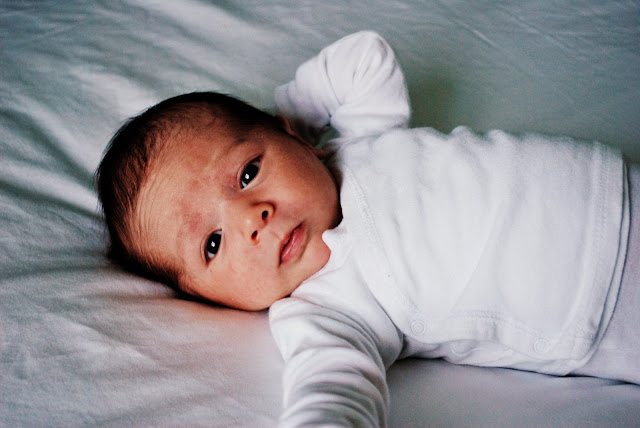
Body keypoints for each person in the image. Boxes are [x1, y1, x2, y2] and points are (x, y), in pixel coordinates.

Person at [96, 31, 638, 426]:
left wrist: (293, 116)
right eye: (213, 244)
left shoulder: (358, 139)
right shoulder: (325, 311)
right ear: (209, 298)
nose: (250, 219)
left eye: (247, 172)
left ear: (292, 137)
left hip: (612, 182)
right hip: (604, 306)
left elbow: (364, 59)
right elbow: (334, 390)